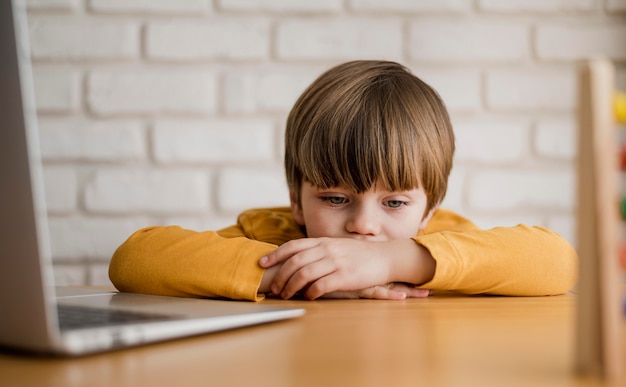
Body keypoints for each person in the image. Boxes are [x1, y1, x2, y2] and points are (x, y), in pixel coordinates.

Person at [109, 60, 578, 301]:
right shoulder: (276, 238)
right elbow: (134, 260)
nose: (363, 226)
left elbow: (559, 263)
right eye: (335, 197)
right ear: (296, 200)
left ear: (429, 208)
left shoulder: (443, 241)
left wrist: (395, 261)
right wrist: (290, 273)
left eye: (394, 203)